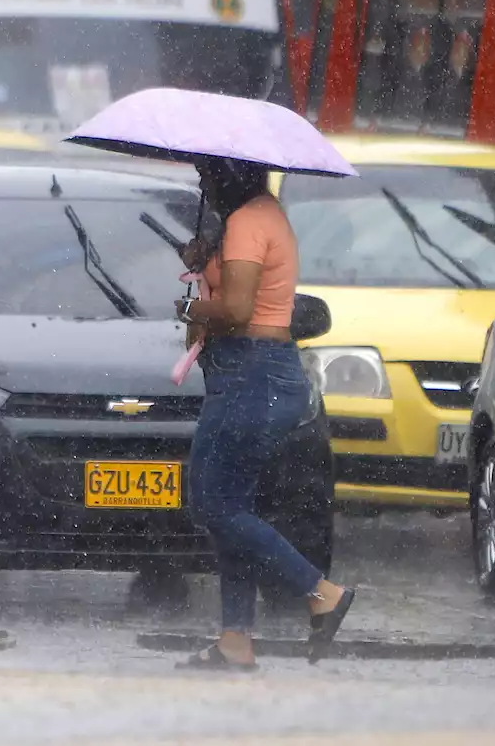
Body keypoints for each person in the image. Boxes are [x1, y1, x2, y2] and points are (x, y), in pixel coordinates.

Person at [175, 158, 354, 671]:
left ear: (232, 175)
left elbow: (236, 308)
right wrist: (204, 257)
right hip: (250, 373)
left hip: (252, 374)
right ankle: (235, 639)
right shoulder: (258, 216)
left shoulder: (248, 221)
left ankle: (321, 592)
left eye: (209, 175)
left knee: (214, 504)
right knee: (231, 507)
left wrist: (189, 310)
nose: (203, 183)